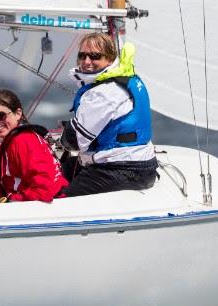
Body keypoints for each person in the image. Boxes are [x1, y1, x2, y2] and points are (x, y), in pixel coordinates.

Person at [59, 33, 158, 196]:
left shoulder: (103, 92)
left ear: (110, 58)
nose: (87, 61)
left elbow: (74, 141)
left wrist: (66, 133)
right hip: (143, 166)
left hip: (120, 170)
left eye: (95, 56)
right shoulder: (127, 77)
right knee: (65, 167)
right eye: (82, 56)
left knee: (63, 199)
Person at [0, 89, 68, 203]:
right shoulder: (17, 139)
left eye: (0, 116)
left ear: (18, 113)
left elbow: (44, 189)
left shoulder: (22, 141)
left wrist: (12, 201)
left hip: (38, 209)